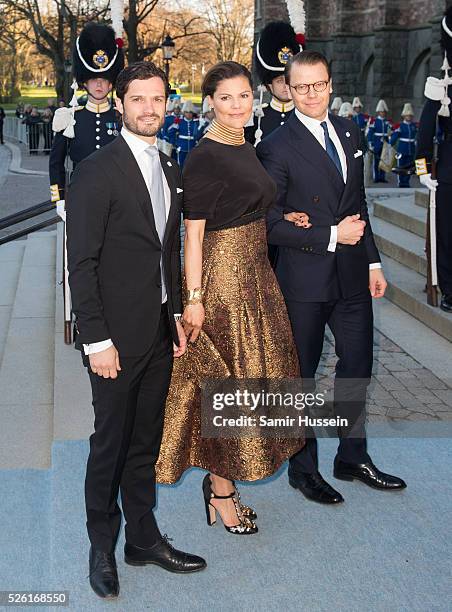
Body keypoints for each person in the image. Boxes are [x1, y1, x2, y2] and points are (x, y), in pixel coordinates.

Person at [66, 60, 206, 600]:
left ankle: (143, 539)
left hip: (157, 334)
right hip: (113, 342)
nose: (150, 108)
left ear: (168, 103)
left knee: (144, 443)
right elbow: (82, 263)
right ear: (122, 104)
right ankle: (101, 544)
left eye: (158, 99)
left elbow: (164, 253)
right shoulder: (98, 171)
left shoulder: (171, 168)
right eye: (139, 99)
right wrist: (96, 340)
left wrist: (174, 312)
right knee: (110, 444)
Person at [155, 61, 305, 533]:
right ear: (211, 103)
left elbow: (250, 203)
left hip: (256, 277)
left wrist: (287, 215)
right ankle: (221, 494)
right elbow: (193, 234)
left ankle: (224, 486)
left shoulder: (244, 144)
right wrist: (194, 298)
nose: (238, 105)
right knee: (231, 387)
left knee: (255, 382)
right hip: (221, 284)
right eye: (226, 98)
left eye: (244, 95)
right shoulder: (204, 155)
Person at [257, 50, 407, 505]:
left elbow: (357, 205)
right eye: (301, 87)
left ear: (329, 84)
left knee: (357, 365)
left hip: (351, 275)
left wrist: (373, 262)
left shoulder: (349, 130)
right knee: (300, 377)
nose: (311, 94)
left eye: (318, 85)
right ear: (287, 88)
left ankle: (352, 455)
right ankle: (303, 469)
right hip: (303, 279)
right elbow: (267, 221)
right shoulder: (275, 146)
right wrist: (328, 235)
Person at [49, 22, 124, 203]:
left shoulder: (122, 118)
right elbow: (56, 162)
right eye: (93, 79)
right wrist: (59, 198)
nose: (99, 85)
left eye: (104, 80)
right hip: (80, 196)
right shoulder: (70, 117)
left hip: (116, 199)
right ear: (84, 83)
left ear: (111, 84)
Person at [416, 7, 452, 313]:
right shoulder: (441, 86)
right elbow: (424, 135)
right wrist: (423, 171)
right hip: (449, 173)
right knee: (448, 235)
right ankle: (450, 288)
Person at [245, 21, 301, 145]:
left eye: (289, 80)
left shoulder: (305, 116)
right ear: (269, 85)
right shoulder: (255, 118)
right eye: (280, 81)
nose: (286, 86)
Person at [390, 103, 417, 188]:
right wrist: (390, 144)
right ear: (404, 116)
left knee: (409, 167)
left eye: (410, 116)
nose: (409, 117)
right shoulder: (400, 126)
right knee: (401, 166)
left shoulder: (414, 126)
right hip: (402, 149)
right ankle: (401, 182)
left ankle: (406, 182)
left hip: (411, 149)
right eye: (407, 116)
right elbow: (395, 137)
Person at [168, 100, 200, 168]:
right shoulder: (179, 121)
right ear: (184, 113)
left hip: (192, 147)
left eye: (190, 112)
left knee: (192, 166)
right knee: (181, 165)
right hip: (182, 147)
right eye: (187, 112)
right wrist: (175, 143)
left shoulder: (195, 123)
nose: (188, 114)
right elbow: (171, 132)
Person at [367, 99, 391, 183]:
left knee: (384, 161)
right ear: (378, 112)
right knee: (376, 161)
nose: (383, 113)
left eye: (384, 112)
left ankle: (382, 177)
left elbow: (390, 132)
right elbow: (370, 133)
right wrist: (371, 143)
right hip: (377, 142)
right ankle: (376, 177)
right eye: (381, 112)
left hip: (385, 143)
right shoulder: (375, 121)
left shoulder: (387, 122)